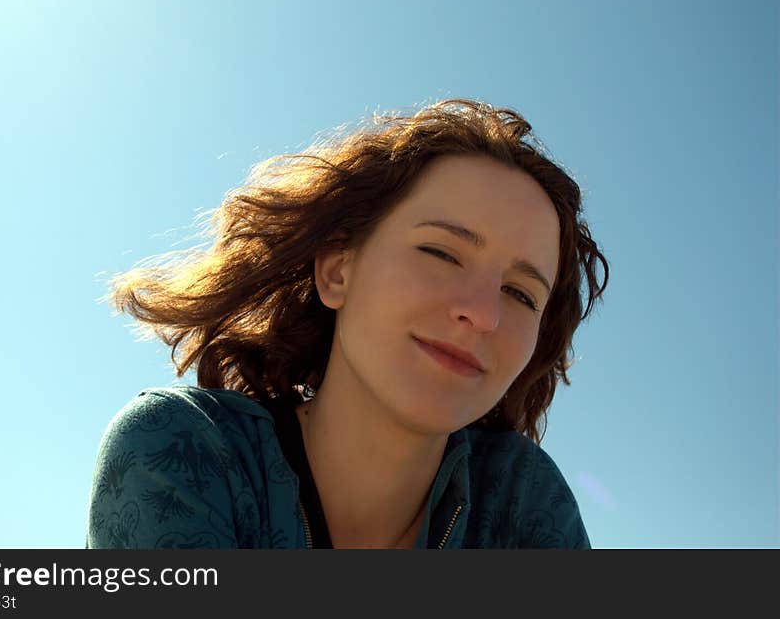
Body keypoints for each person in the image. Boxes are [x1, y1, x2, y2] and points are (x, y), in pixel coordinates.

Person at [86, 98, 609, 549]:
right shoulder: (183, 448)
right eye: (441, 253)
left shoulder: (523, 503)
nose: (484, 313)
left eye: (520, 293)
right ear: (337, 270)